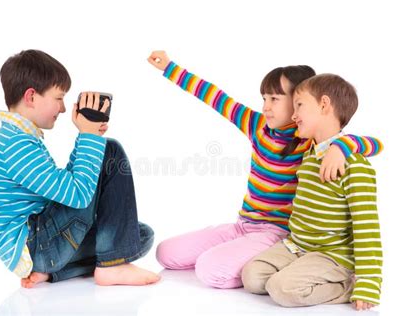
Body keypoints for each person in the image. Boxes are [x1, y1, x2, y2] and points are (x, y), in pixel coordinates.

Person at [147, 51, 382, 289]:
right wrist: (170, 67)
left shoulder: (307, 138)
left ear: (298, 101)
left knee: (209, 270)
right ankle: (232, 254)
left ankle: (262, 266)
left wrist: (342, 146)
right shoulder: (257, 125)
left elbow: (374, 144)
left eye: (275, 99)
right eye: (264, 98)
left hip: (276, 234)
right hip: (242, 225)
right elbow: (215, 97)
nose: (266, 107)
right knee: (166, 253)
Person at [0, 49, 160, 288]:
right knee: (109, 151)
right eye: (58, 98)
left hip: (41, 246)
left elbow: (64, 188)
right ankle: (112, 266)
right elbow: (78, 195)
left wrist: (87, 138)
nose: (63, 109)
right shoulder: (15, 145)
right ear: (31, 97)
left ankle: (55, 273)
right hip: (37, 244)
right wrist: (89, 139)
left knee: (139, 236)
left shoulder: (17, 137)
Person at [241, 74, 382, 311]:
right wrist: (343, 144)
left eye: (299, 106)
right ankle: (303, 270)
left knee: (281, 290)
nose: (293, 115)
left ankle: (348, 284)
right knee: (252, 277)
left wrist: (369, 282)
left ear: (324, 105)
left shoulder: (354, 165)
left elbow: (366, 225)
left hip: (333, 254)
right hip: (297, 246)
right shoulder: (309, 154)